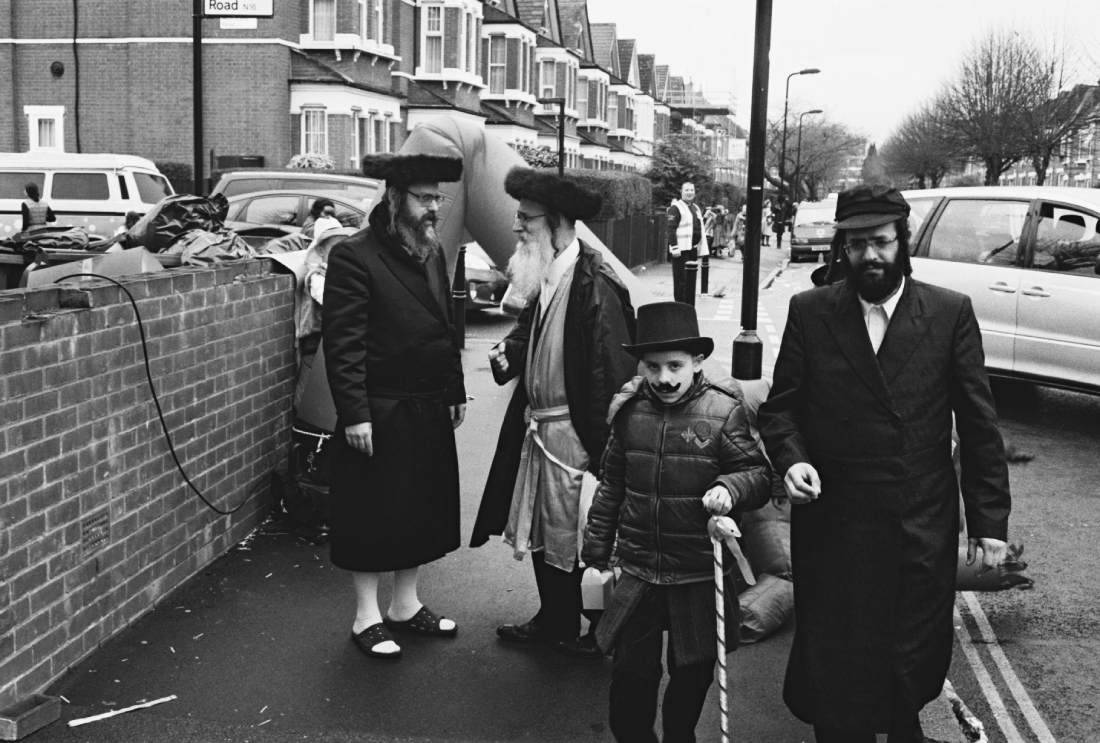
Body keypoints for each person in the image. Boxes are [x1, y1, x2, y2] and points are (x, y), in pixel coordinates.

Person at [757, 185, 1012, 742]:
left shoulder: (948, 312)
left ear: (902, 240)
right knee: (836, 662)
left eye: (880, 241)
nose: (869, 255)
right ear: (842, 249)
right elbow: (781, 410)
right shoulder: (811, 311)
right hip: (834, 517)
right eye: (856, 245)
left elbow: (978, 424)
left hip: (917, 520)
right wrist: (793, 461)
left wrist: (989, 522)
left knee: (905, 659)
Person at [582, 301, 771, 743]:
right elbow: (611, 486)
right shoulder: (629, 412)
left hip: (698, 570)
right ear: (640, 366)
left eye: (675, 366)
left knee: (692, 672)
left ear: (697, 361)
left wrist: (730, 486)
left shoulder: (724, 411)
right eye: (653, 367)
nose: (664, 378)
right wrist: (595, 553)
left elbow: (759, 475)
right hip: (640, 567)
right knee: (631, 674)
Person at [472, 166, 637, 659]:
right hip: (541, 428)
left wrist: (605, 453)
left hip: (577, 435)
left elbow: (612, 374)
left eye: (526, 218)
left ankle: (602, 631)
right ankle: (556, 618)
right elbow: (531, 329)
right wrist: (511, 350)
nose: (516, 226)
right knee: (545, 528)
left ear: (558, 222)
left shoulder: (596, 285)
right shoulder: (547, 269)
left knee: (586, 533)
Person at [322, 153, 467, 660]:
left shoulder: (432, 252)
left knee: (420, 510)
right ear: (395, 198)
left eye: (437, 198)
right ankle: (367, 616)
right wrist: (355, 413)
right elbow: (343, 344)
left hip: (427, 404)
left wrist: (454, 388)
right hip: (380, 408)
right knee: (372, 514)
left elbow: (446, 327)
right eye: (424, 199)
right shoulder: (353, 255)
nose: (434, 208)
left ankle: (405, 604)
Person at [666, 182, 709, 302]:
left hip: (692, 249)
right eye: (687, 190)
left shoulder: (695, 208)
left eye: (692, 190)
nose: (690, 192)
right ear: (681, 192)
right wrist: (674, 247)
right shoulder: (676, 208)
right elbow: (671, 229)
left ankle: (689, 306)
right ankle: (680, 307)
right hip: (681, 251)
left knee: (690, 280)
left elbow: (697, 226)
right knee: (681, 281)